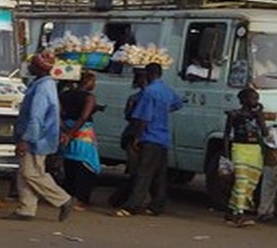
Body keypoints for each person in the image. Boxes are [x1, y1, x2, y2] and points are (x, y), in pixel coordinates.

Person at [5, 52, 74, 221]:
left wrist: (26, 140)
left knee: (31, 173)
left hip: (37, 139)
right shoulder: (43, 84)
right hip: (40, 137)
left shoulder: (42, 87)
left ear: (39, 68)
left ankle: (63, 199)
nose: (29, 67)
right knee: (24, 173)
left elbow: (36, 116)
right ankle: (26, 209)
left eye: (32, 64)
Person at [115, 62, 183, 217]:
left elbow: (143, 118)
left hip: (150, 135)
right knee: (159, 173)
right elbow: (178, 103)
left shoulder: (149, 92)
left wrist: (137, 137)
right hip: (163, 136)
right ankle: (157, 205)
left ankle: (132, 205)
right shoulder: (165, 90)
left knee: (143, 172)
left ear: (148, 73)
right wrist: (164, 111)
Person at [222, 87, 267, 227]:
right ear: (244, 100)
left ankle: (231, 210)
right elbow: (226, 135)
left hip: (255, 151)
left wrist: (260, 117)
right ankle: (239, 214)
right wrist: (226, 154)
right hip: (239, 149)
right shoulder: (234, 114)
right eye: (253, 98)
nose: (256, 101)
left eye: (257, 98)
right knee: (241, 182)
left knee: (250, 185)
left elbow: (265, 133)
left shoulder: (258, 115)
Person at [58, 71, 101, 209]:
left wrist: (65, 130)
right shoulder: (89, 97)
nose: (94, 85)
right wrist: (72, 133)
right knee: (87, 166)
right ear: (87, 82)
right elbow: (83, 117)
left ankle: (67, 196)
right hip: (82, 135)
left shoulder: (64, 95)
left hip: (66, 132)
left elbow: (58, 114)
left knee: (70, 165)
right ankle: (80, 199)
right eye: (93, 81)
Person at [108, 67, 149, 208]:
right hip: (139, 137)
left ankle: (122, 199)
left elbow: (128, 116)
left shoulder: (134, 98)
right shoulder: (145, 97)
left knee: (135, 171)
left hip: (132, 136)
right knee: (139, 171)